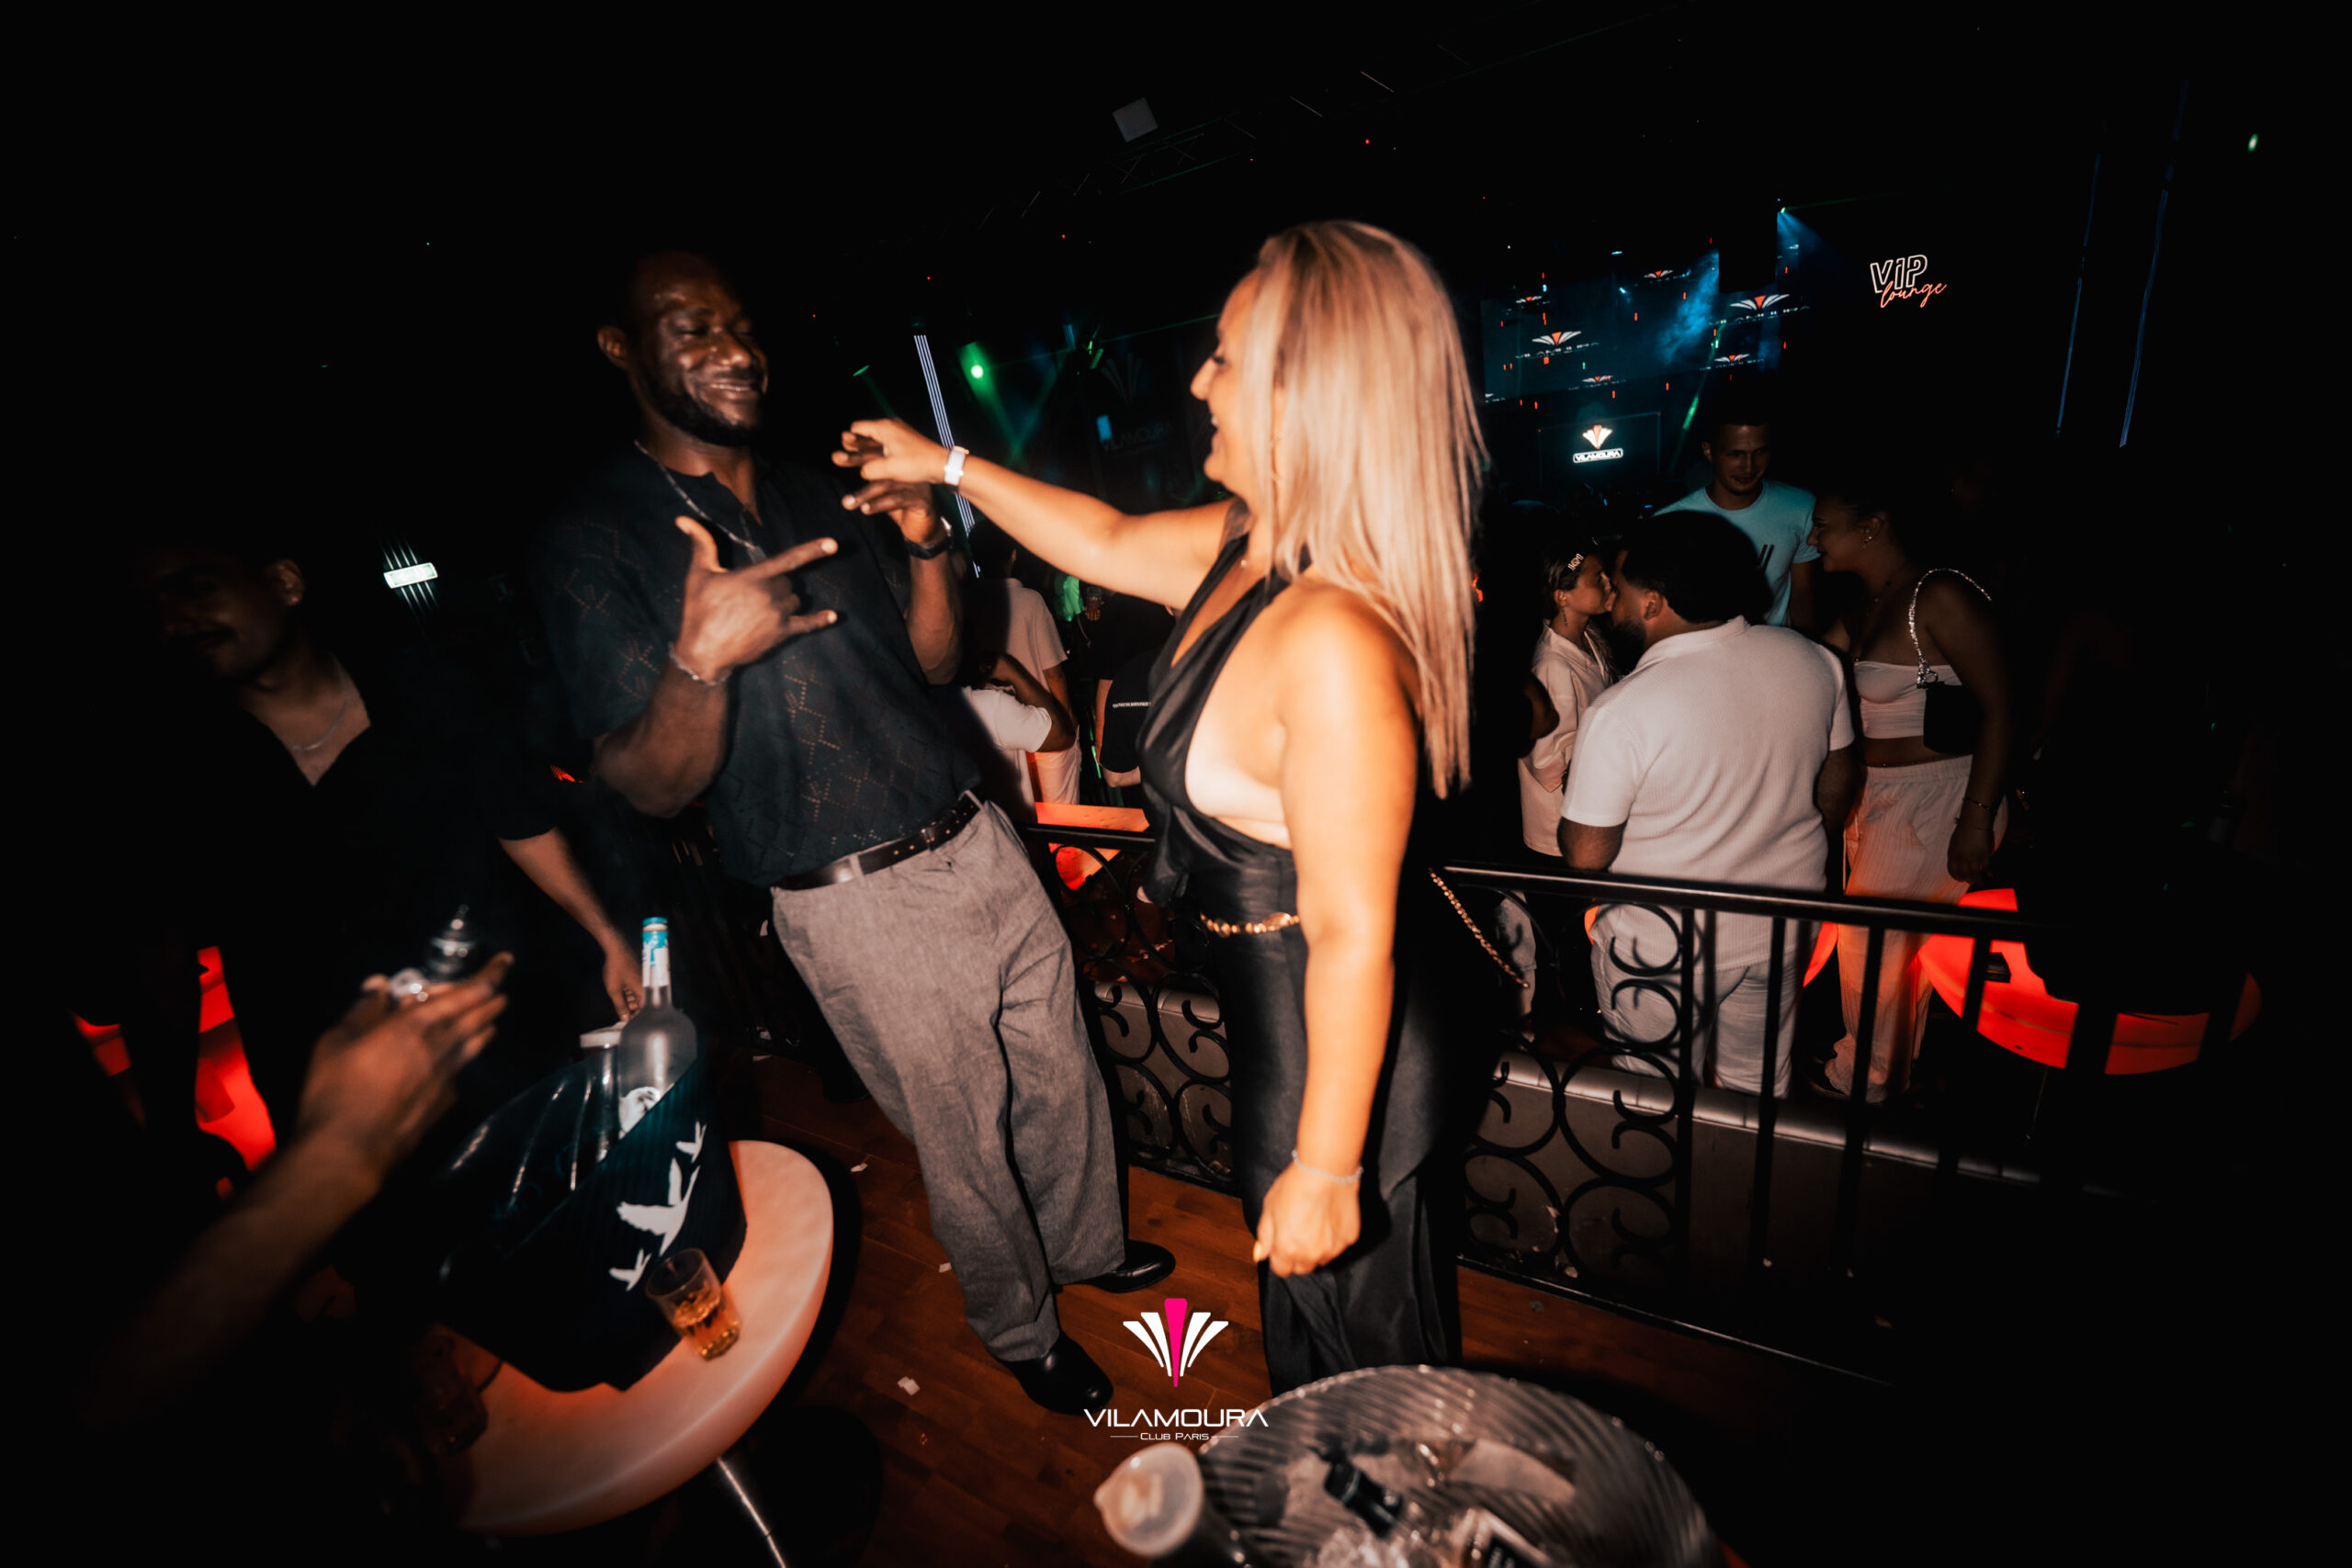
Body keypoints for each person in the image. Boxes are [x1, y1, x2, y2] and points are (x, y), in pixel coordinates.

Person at [836, 220, 1478, 1393]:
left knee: (1368, 1354)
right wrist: (947, 466)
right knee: (1315, 1334)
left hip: (1343, 1040)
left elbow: (1353, 933)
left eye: (1225, 356)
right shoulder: (1250, 545)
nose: (1196, 383)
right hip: (1281, 1013)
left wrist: (1331, 1167)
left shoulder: (1332, 636)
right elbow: (1105, 535)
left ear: (1305, 391)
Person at [531, 251, 1166, 1417]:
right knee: (965, 1139)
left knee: (1063, 1073)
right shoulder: (594, 535)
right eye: (691, 327)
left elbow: (936, 662)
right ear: (620, 348)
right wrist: (698, 664)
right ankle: (1020, 1328)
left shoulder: (816, 487)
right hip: (856, 897)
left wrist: (927, 544)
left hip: (977, 834)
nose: (734, 348)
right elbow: (650, 788)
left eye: (739, 323)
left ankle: (1088, 1248)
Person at [136, 533, 642, 1134]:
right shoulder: (171, 767)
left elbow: (522, 821)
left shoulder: (429, 688)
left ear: (283, 583)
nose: (175, 620)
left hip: (496, 1047)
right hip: (331, 1105)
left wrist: (608, 938)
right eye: (152, 608)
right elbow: (158, 951)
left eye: (195, 589)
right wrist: (170, 1129)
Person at [1560, 513, 1860, 1096]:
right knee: (1755, 1087)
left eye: (1620, 589)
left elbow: (1586, 854)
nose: (1612, 602)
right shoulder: (1812, 658)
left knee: (1654, 1096)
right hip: (1781, 924)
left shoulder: (1623, 710)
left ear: (1652, 603)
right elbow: (1838, 778)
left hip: (1663, 947)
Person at [1808, 470, 2013, 1100]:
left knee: (1870, 946)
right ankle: (1888, 1073)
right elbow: (1810, 668)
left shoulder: (1939, 595)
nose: (1812, 538)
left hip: (1940, 795)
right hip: (1876, 797)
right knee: (1893, 953)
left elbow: (2003, 709)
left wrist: (1976, 818)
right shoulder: (1865, 603)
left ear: (1872, 528)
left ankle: (1864, 1085)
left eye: (1823, 527)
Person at [1655, 392, 1820, 630]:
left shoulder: (1800, 507)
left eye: (1760, 452)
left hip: (1777, 647)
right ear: (1709, 451)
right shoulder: (1669, 524)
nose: (1749, 467)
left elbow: (1803, 597)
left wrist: (1806, 647)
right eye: (1736, 454)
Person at [966, 525, 1081, 809]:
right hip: (1043, 718)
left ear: (975, 557)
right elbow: (1054, 673)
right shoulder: (1030, 600)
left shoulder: (964, 602)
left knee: (1019, 809)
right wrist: (1066, 721)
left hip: (991, 726)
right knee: (1062, 811)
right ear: (1014, 554)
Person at [1518, 536, 1616, 857]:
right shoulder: (1553, 664)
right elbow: (1545, 758)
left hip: (1588, 808)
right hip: (1560, 826)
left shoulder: (1590, 639)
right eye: (1597, 578)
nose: (1609, 583)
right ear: (1562, 596)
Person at [934, 649, 1076, 824]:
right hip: (1008, 830)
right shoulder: (986, 705)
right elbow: (1060, 736)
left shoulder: (922, 704)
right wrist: (1010, 669)